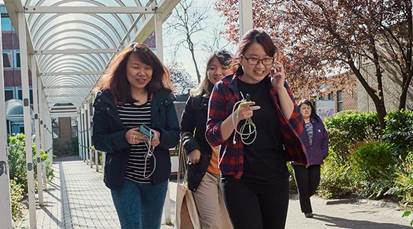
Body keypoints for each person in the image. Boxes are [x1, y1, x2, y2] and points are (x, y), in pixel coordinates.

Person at [205, 29, 308, 229]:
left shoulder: (276, 85)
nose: (260, 66)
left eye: (266, 59)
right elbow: (212, 136)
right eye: (253, 59)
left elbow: (297, 126)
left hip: (275, 177)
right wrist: (235, 117)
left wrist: (279, 88)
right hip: (238, 179)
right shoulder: (224, 88)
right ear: (241, 58)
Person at [92, 43, 179, 229]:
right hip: (123, 178)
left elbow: (174, 136)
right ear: (124, 68)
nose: (142, 73)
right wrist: (123, 138)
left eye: (147, 68)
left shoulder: (163, 98)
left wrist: (159, 137)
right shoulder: (106, 99)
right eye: (136, 67)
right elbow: (98, 140)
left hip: (157, 179)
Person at [180, 50, 234, 229]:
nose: (217, 72)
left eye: (223, 67)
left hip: (234, 173)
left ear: (233, 69)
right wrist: (191, 146)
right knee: (212, 225)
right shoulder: (196, 99)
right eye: (212, 67)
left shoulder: (240, 97)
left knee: (232, 223)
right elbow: (184, 130)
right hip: (205, 171)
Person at [293, 99, 329, 218]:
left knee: (314, 182)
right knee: (303, 185)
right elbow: (290, 141)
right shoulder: (294, 124)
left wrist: (323, 153)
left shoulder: (318, 122)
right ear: (299, 110)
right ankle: (307, 210)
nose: (306, 110)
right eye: (303, 108)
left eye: (308, 107)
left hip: (315, 159)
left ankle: (303, 198)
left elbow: (324, 139)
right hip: (299, 161)